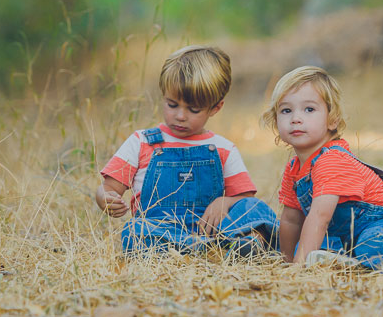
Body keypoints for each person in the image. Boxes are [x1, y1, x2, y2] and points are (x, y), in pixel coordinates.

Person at [95, 45, 277, 255]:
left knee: (256, 209)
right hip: (160, 231)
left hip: (212, 231)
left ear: (215, 108)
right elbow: (108, 188)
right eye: (172, 105)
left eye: (193, 109)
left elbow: (245, 199)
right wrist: (105, 199)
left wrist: (224, 202)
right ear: (163, 96)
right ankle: (206, 249)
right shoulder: (142, 142)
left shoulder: (223, 148)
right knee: (135, 231)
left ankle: (238, 245)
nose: (181, 116)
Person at [262, 65, 383, 269]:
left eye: (309, 109)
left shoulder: (332, 159)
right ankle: (350, 262)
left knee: (375, 244)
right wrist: (287, 261)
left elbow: (320, 216)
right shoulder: (294, 168)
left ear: (333, 120)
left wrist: (299, 267)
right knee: (304, 246)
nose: (295, 118)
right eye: (286, 110)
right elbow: (291, 221)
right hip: (347, 235)